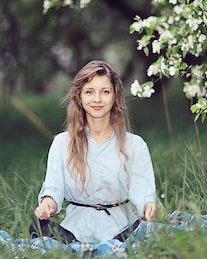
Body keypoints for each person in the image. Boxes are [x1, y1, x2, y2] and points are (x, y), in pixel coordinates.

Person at [29, 60, 157, 243]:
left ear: (114, 97)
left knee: (149, 231)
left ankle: (108, 248)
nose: (97, 99)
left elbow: (142, 189)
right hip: (75, 230)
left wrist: (148, 204)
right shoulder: (61, 143)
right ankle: (80, 247)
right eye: (89, 92)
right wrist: (47, 205)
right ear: (79, 96)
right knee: (38, 227)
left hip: (122, 229)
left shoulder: (135, 145)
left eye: (105, 92)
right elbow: (53, 189)